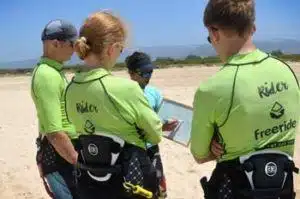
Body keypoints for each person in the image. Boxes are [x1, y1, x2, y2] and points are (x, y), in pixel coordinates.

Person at [190, 0, 300, 198]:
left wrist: (214, 148)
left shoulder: (211, 89)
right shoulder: (287, 71)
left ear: (214, 33)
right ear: (253, 28)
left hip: (235, 189)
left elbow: (199, 155)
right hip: (282, 189)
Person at [64, 11, 163, 199]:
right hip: (129, 180)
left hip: (90, 182)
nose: (120, 53)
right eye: (121, 48)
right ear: (112, 48)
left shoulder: (71, 89)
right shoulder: (126, 88)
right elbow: (155, 133)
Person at [30, 19, 79, 199]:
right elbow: (54, 131)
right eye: (72, 44)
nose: (75, 49)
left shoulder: (55, 71)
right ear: (56, 43)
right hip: (59, 156)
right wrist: (77, 162)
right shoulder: (47, 75)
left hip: (64, 152)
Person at [125, 51, 179, 198]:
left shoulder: (154, 93)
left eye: (151, 72)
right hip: (131, 151)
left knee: (158, 191)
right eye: (144, 73)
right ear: (131, 73)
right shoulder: (122, 94)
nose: (148, 77)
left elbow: (159, 120)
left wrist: (168, 125)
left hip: (152, 149)